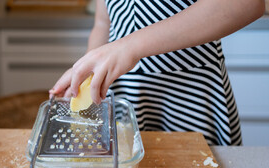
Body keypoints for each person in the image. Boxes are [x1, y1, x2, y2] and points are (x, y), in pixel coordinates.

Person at [49, 0, 265, 145]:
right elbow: (102, 23)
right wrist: (88, 69)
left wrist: (129, 47)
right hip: (125, 96)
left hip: (192, 99)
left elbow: (245, 4)